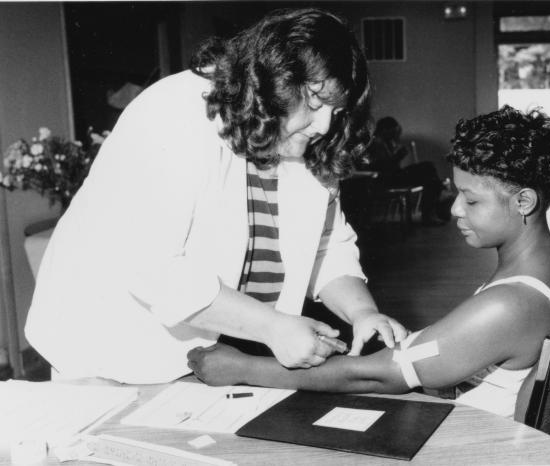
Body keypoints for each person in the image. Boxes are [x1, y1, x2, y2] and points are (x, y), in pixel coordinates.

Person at [24, 8, 407, 384]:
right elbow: (152, 267)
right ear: (275, 77)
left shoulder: (303, 141)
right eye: (315, 101)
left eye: (336, 111)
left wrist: (362, 313)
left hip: (213, 349)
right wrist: (273, 327)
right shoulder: (174, 113)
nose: (325, 125)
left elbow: (327, 247)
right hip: (107, 339)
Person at [187, 105, 550, 419]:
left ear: (524, 201)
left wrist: (241, 367)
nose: (454, 211)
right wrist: (416, 344)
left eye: (472, 200)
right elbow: (461, 349)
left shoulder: (509, 304)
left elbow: (379, 373)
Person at [363, 116, 448, 225]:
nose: (395, 135)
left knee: (429, 172)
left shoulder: (385, 141)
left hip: (392, 177)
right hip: (386, 180)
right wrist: (398, 156)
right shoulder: (377, 143)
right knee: (428, 169)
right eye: (393, 132)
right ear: (385, 130)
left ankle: (431, 210)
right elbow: (383, 168)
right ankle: (429, 212)